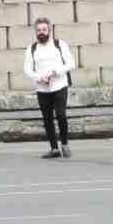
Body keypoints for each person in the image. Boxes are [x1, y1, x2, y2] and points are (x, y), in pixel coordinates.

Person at [24, 17, 75, 159]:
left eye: (44, 30)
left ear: (50, 30)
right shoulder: (32, 48)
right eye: (39, 30)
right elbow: (27, 69)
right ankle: (54, 149)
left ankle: (64, 144)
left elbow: (71, 63)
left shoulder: (60, 45)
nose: (41, 32)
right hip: (42, 88)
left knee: (61, 115)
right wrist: (39, 78)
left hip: (60, 85)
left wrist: (55, 72)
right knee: (47, 119)